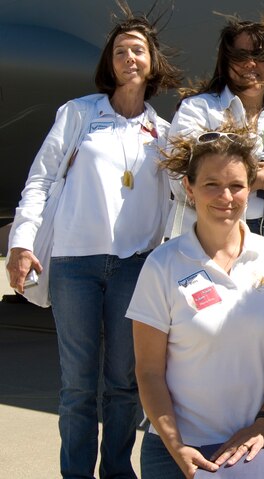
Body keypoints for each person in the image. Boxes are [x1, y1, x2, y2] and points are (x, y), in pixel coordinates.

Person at [5, 6, 179, 477]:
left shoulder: (164, 135)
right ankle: (77, 473)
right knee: (78, 386)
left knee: (124, 383)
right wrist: (21, 244)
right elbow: (40, 180)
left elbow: (181, 199)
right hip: (75, 265)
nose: (129, 57)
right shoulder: (79, 114)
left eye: (138, 50)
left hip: (134, 268)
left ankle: (118, 471)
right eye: (120, 51)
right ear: (110, 62)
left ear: (151, 62)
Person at [127, 127, 264, 479]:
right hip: (179, 448)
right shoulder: (163, 264)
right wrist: (176, 444)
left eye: (236, 186)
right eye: (211, 184)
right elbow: (148, 371)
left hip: (261, 443)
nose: (225, 196)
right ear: (189, 190)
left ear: (250, 188)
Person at [168, 11, 264, 263]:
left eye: (260, 56)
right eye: (240, 56)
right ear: (226, 61)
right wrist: (257, 179)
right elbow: (179, 181)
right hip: (216, 236)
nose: (250, 64)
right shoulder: (198, 110)